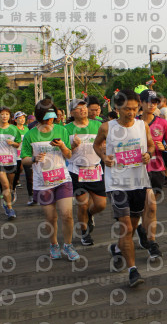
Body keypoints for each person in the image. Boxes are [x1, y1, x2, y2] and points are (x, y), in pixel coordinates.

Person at [94, 89, 155, 288]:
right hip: (117, 183)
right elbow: (97, 145)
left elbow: (151, 145)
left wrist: (148, 155)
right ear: (117, 108)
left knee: (132, 227)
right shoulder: (107, 127)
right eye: (127, 109)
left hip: (138, 182)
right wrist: (104, 157)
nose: (131, 112)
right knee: (127, 227)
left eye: (135, 108)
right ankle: (133, 271)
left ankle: (117, 249)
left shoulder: (142, 125)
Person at [21, 99, 79, 261]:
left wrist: (62, 146)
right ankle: (54, 244)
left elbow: (69, 155)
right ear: (40, 116)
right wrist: (34, 158)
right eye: (47, 117)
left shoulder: (61, 130)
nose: (50, 120)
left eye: (52, 116)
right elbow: (24, 159)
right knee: (50, 217)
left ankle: (68, 245)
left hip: (62, 179)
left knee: (67, 215)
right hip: (42, 182)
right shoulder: (30, 135)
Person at [137, 89, 167, 259]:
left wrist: (165, 147)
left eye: (155, 102)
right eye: (148, 101)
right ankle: (151, 241)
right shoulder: (133, 123)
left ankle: (144, 232)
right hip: (137, 170)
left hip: (157, 169)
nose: (152, 105)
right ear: (141, 102)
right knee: (148, 206)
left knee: (150, 207)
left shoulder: (163, 123)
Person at [65, 98, 104, 247]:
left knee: (100, 205)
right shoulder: (66, 129)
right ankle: (84, 232)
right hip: (76, 170)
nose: (83, 109)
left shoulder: (98, 125)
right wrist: (73, 146)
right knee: (82, 204)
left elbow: (105, 143)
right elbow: (64, 152)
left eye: (84, 107)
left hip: (95, 169)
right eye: (78, 108)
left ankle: (89, 214)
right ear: (72, 112)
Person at [11, 111, 34, 206]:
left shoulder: (27, 129)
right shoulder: (12, 129)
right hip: (15, 155)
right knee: (16, 174)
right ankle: (13, 190)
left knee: (29, 176)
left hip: (26, 155)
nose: (22, 120)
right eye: (20, 118)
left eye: (23, 118)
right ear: (15, 120)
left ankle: (31, 196)